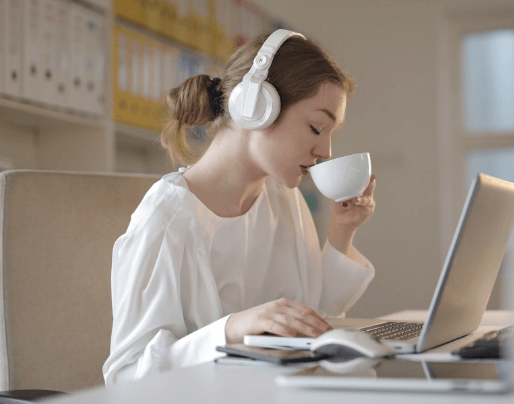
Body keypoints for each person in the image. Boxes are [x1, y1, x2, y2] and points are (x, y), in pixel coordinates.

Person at [103, 30, 377, 385]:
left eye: (330, 134)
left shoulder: (283, 198)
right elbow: (125, 378)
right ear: (256, 107)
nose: (325, 151)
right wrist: (230, 330)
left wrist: (343, 232)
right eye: (316, 127)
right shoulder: (167, 221)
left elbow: (311, 319)